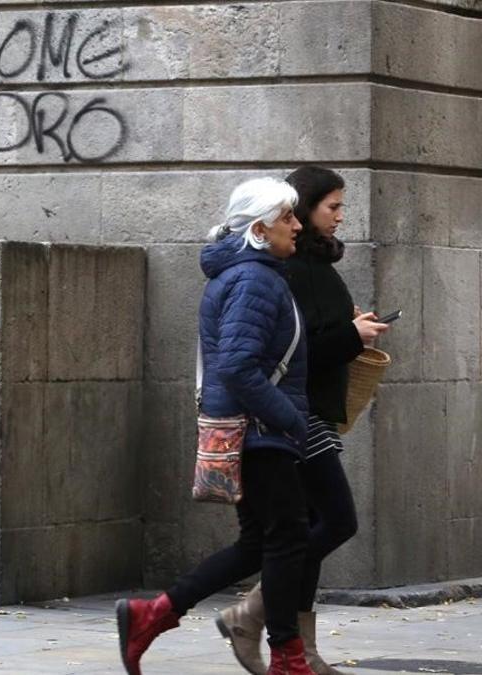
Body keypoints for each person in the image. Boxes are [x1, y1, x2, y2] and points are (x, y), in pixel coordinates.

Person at [115, 177, 316, 675]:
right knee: (289, 539)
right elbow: (239, 365)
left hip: (254, 430)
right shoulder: (254, 279)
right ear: (260, 228)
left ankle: (153, 614)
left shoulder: (252, 273)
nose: (297, 225)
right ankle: (288, 657)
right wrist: (292, 421)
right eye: (287, 217)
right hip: (261, 433)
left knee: (259, 543)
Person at [215, 166, 389, 675]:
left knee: (311, 526)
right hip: (296, 413)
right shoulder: (287, 268)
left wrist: (349, 324)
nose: (340, 215)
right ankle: (252, 612)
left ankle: (298, 649)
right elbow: (291, 352)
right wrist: (351, 334)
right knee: (334, 521)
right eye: (331, 206)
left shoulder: (313, 261)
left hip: (308, 411)